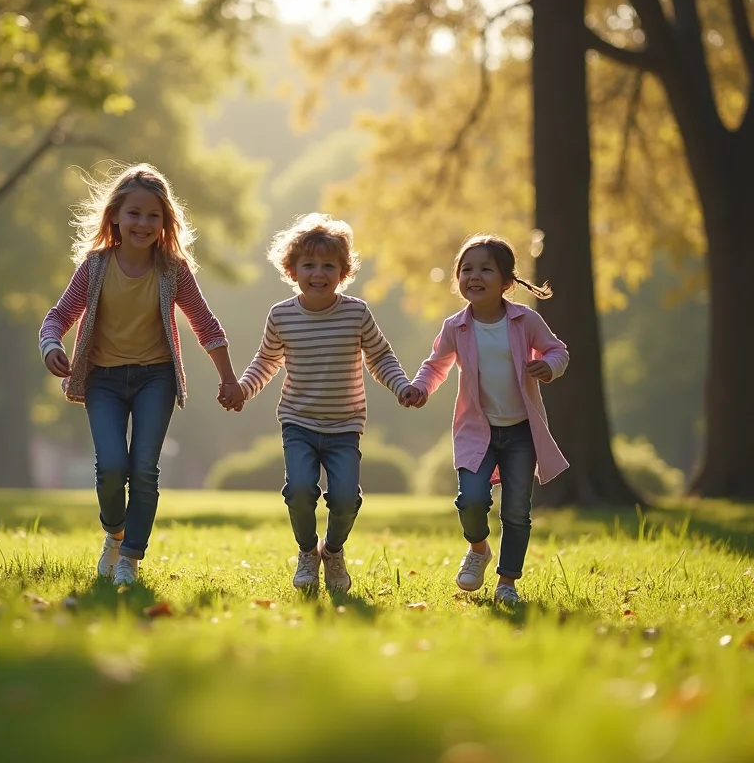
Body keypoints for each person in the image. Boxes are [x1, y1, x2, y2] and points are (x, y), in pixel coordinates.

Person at [39, 163, 242, 586]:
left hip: (156, 378)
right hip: (103, 380)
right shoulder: (96, 267)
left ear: (165, 223)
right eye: (134, 213)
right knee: (112, 467)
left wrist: (228, 380)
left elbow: (206, 325)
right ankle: (114, 534)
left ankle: (130, 558)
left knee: (144, 468)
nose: (143, 223)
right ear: (115, 215)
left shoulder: (172, 270)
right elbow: (58, 316)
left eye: (154, 216)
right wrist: (51, 346)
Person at [226, 213, 420, 593]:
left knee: (346, 498)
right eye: (309, 265)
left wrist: (402, 386)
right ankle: (305, 552)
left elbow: (379, 357)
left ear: (343, 271)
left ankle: (331, 551)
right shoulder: (281, 316)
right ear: (292, 270)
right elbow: (266, 361)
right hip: (298, 421)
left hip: (345, 425)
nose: (318, 273)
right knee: (299, 490)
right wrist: (243, 390)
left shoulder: (356, 313)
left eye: (328, 265)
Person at [405, 234, 569, 605]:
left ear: (507, 281)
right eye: (466, 270)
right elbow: (436, 365)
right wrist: (419, 388)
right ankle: (479, 549)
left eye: (484, 269)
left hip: (521, 433)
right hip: (476, 431)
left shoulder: (525, 320)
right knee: (471, 501)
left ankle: (507, 583)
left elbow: (557, 349)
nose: (473, 276)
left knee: (516, 510)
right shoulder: (456, 326)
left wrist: (549, 366)